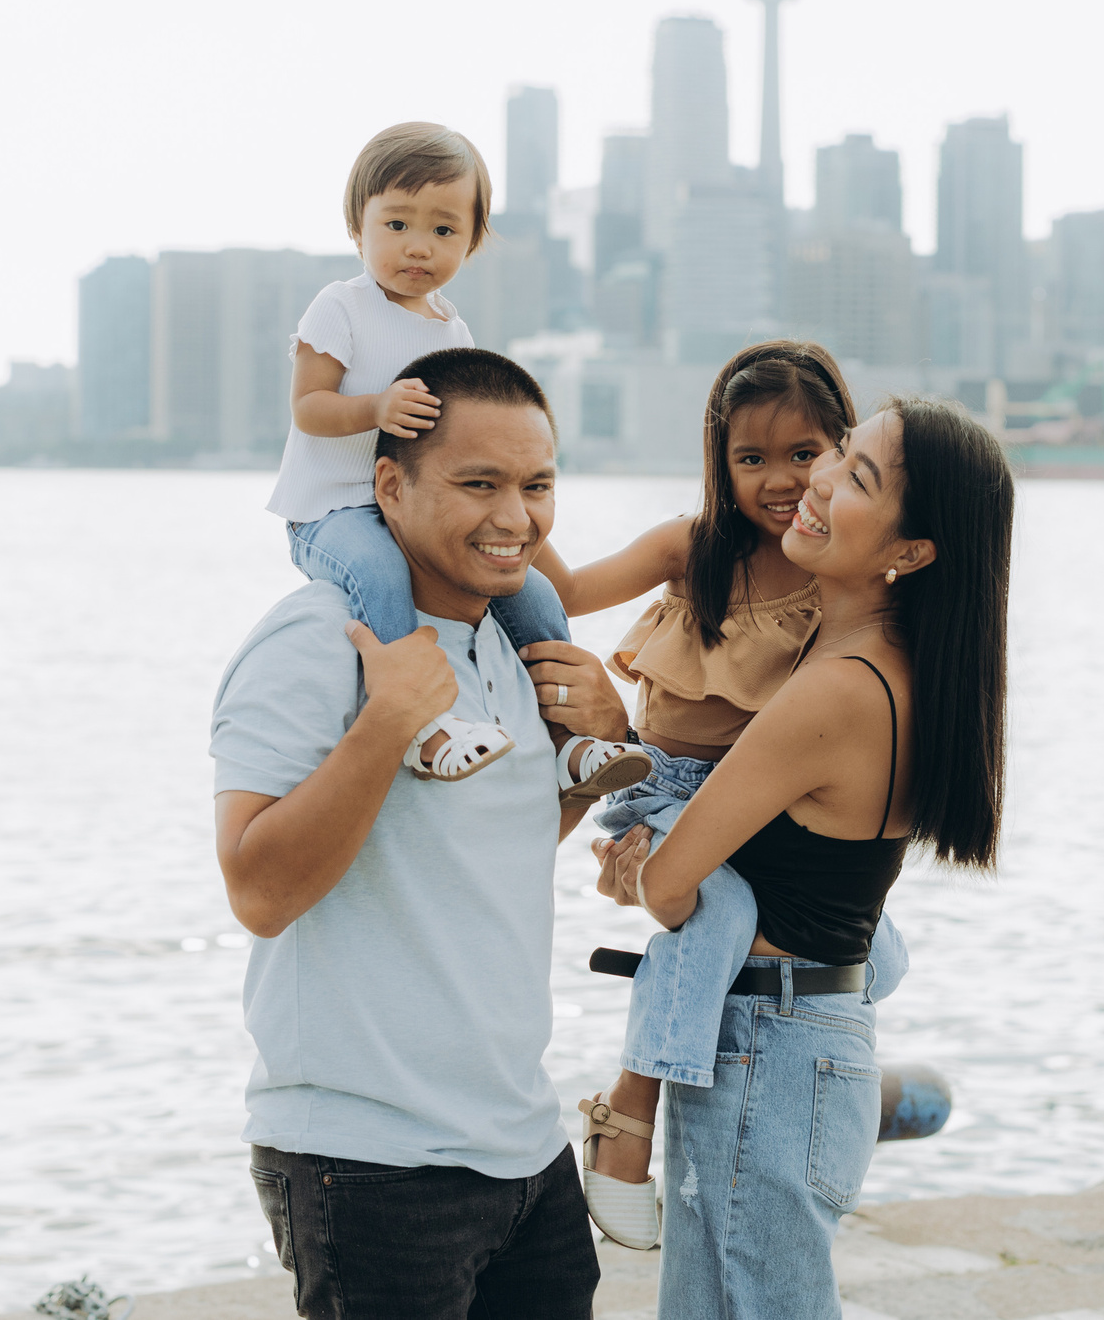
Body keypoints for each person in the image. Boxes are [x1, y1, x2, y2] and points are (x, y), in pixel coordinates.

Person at [212, 348, 639, 1320]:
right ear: (389, 487)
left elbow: (491, 839)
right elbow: (257, 891)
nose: (514, 517)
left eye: (537, 486)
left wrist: (599, 741)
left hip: (525, 1150)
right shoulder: (318, 641)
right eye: (477, 483)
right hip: (365, 1163)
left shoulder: (512, 640)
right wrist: (383, 726)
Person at [595, 397, 1013, 1319]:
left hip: (768, 1056)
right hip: (801, 1043)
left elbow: (670, 889)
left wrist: (637, 851)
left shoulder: (836, 689)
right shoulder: (895, 664)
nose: (816, 482)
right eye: (842, 453)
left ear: (910, 551)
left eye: (857, 477)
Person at [529, 341, 905, 1251]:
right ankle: (630, 1109)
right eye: (751, 458)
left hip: (761, 807)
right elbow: (571, 589)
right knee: (719, 912)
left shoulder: (841, 578)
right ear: (719, 460)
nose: (780, 480)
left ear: (843, 454)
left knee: (878, 954)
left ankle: (811, 1078)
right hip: (661, 787)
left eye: (806, 454)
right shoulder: (692, 548)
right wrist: (514, 497)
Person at [266, 120, 648, 797]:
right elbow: (309, 408)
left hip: (416, 511)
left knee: (534, 595)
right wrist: (375, 409)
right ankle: (424, 726)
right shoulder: (340, 306)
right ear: (359, 227)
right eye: (397, 224)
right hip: (333, 513)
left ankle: (569, 743)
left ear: (472, 242)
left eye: (444, 230)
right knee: (380, 573)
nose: (418, 246)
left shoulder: (452, 328)